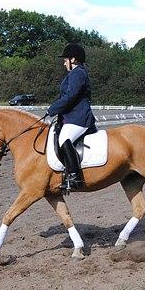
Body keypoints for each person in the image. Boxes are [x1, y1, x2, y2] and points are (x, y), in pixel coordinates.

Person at [47, 43, 97, 193]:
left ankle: (75, 176)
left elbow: (71, 96)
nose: (64, 62)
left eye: (65, 59)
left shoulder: (78, 73)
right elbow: (64, 95)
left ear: (73, 59)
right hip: (71, 116)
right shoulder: (73, 74)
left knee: (63, 139)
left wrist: (53, 108)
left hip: (79, 117)